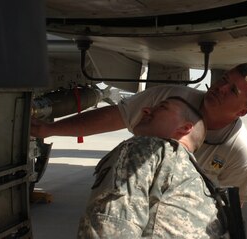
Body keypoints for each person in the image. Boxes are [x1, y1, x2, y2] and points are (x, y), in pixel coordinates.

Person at [31, 63, 247, 204]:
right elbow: (114, 117)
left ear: (242, 111)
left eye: (232, 90)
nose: (220, 87)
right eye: (224, 80)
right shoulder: (170, 97)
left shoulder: (238, 151)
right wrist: (50, 128)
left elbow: (233, 208)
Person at [77, 96, 225, 238]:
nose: (146, 110)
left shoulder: (146, 148)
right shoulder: (201, 184)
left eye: (162, 108)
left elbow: (111, 228)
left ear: (185, 128)